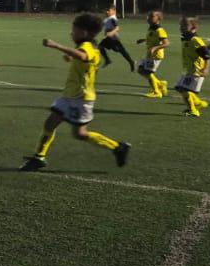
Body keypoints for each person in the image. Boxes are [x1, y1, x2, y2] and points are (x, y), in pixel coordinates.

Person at [20, 14, 131, 172]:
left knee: (80, 133)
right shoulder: (89, 45)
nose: (72, 33)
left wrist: (56, 46)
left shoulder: (88, 46)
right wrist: (71, 56)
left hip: (81, 98)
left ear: (85, 32)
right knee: (50, 122)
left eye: (74, 30)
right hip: (70, 95)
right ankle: (39, 157)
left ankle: (117, 147)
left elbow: (83, 55)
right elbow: (81, 57)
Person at [174, 17, 210, 117]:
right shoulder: (185, 39)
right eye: (181, 25)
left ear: (193, 28)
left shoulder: (195, 40)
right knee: (179, 88)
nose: (181, 27)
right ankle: (197, 103)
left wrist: (206, 69)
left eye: (185, 25)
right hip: (189, 70)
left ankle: (193, 110)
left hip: (196, 71)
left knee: (184, 90)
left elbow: (207, 56)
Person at [136, 10, 170, 98]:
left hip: (156, 55)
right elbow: (153, 38)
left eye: (151, 17)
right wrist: (143, 40)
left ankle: (157, 92)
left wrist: (155, 48)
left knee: (148, 72)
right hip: (149, 54)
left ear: (158, 19)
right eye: (148, 16)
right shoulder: (151, 28)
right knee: (140, 69)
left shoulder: (160, 30)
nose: (149, 18)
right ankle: (160, 84)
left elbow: (166, 43)